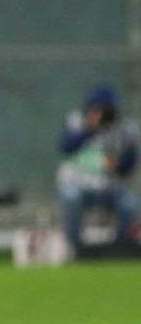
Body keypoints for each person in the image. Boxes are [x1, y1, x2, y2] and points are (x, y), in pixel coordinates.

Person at [57, 85, 139, 254]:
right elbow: (65, 147)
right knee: (71, 196)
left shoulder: (124, 128)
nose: (101, 114)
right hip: (78, 184)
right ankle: (74, 247)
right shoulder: (76, 121)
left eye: (105, 110)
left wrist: (118, 164)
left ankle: (121, 247)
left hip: (109, 188)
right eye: (96, 109)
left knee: (130, 203)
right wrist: (89, 129)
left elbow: (130, 163)